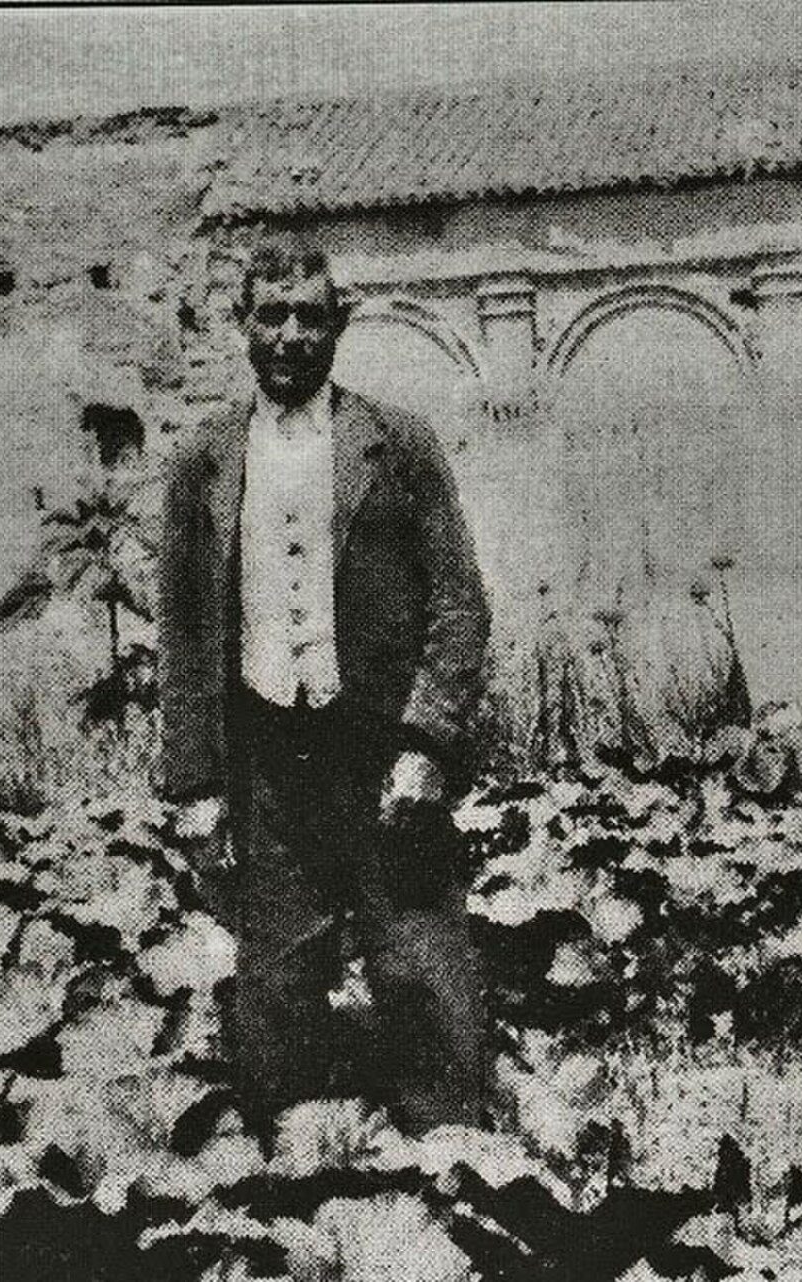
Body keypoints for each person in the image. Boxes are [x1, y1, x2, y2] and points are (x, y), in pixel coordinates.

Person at [155, 235, 494, 1137]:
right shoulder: (203, 465)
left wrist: (427, 741)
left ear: (339, 324)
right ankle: (296, 1166)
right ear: (243, 327)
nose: (292, 335)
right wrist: (193, 786)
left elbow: (459, 603)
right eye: (273, 315)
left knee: (419, 961)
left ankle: (451, 1151)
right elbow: (186, 637)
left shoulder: (400, 447)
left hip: (382, 756)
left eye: (312, 315)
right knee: (276, 977)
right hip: (270, 755)